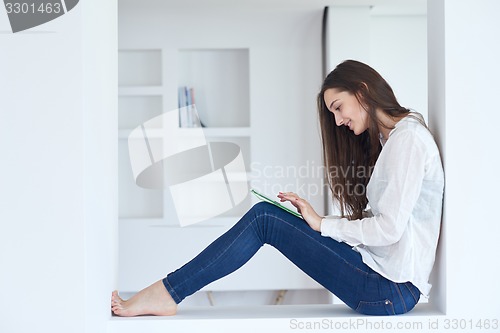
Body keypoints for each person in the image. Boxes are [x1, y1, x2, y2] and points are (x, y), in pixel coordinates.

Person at [111, 60, 444, 316]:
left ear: (362, 89)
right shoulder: (395, 141)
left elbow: (389, 228)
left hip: (389, 288)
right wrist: (318, 220)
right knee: (267, 217)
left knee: (263, 220)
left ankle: (168, 293)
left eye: (338, 107)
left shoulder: (408, 140)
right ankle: (169, 292)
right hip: (385, 281)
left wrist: (322, 225)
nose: (338, 120)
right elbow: (386, 222)